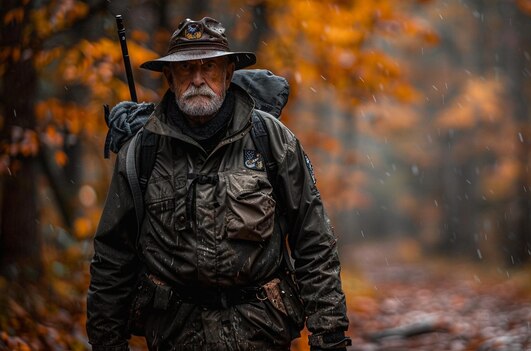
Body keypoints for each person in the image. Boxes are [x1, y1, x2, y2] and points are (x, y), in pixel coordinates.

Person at [86, 16, 351, 351]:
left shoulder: (270, 139)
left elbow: (314, 242)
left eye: (209, 67)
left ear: (228, 74)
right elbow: (113, 258)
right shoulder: (142, 151)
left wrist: (329, 336)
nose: (198, 79)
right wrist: (107, 343)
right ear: (169, 78)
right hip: (174, 337)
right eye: (185, 69)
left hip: (262, 333)